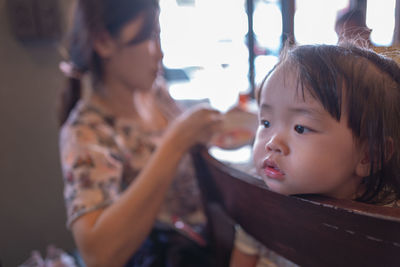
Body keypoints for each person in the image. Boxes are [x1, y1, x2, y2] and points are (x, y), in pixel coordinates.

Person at [57, 0, 223, 266]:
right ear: (103, 41)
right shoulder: (87, 131)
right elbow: (97, 255)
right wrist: (176, 142)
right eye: (148, 37)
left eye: (159, 35)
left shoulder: (155, 93)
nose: (160, 53)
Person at [230, 42, 400, 267]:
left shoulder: (386, 233)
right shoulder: (259, 199)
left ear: (368, 155)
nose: (272, 143)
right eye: (266, 122)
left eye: (300, 128)